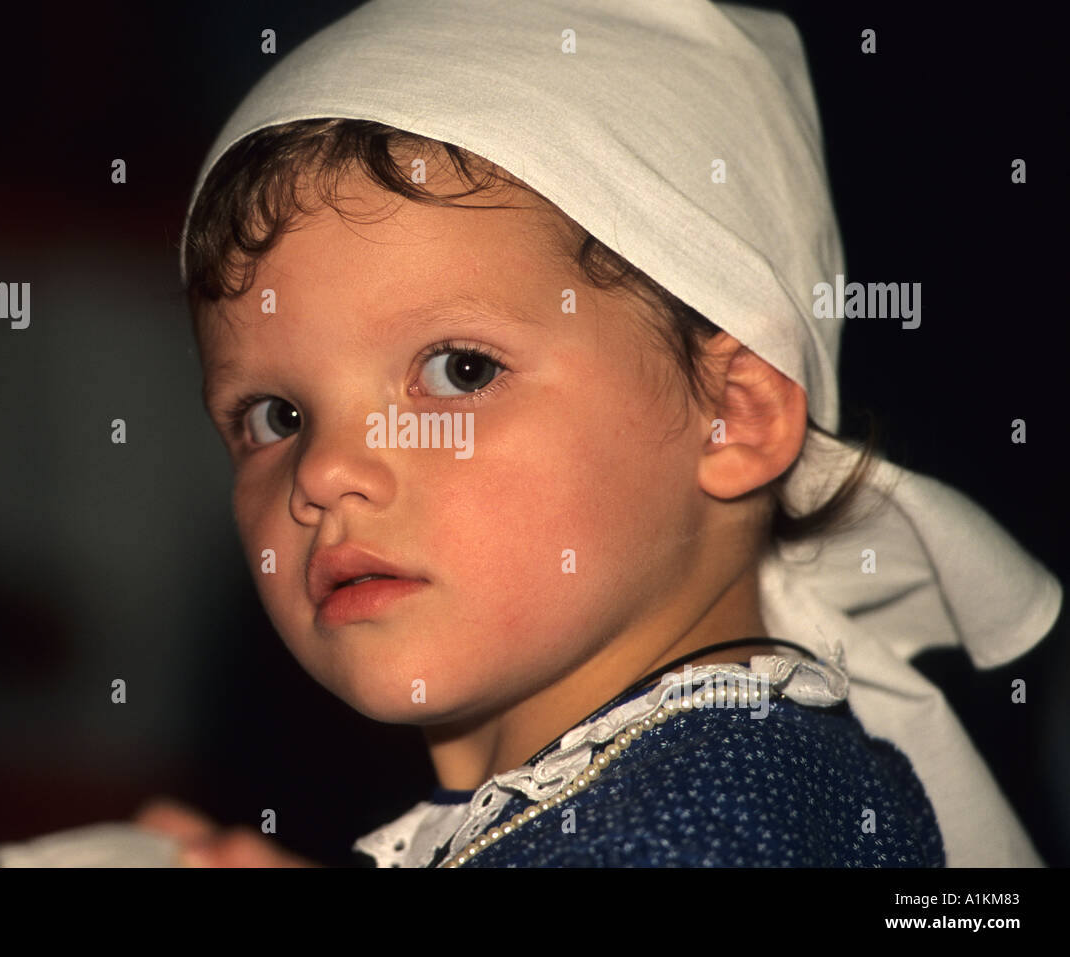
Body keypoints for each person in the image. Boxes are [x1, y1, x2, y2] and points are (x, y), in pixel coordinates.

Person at [132, 0, 1060, 867]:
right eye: (276, 417)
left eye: (460, 370)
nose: (326, 469)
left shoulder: (739, 795)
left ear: (731, 413)